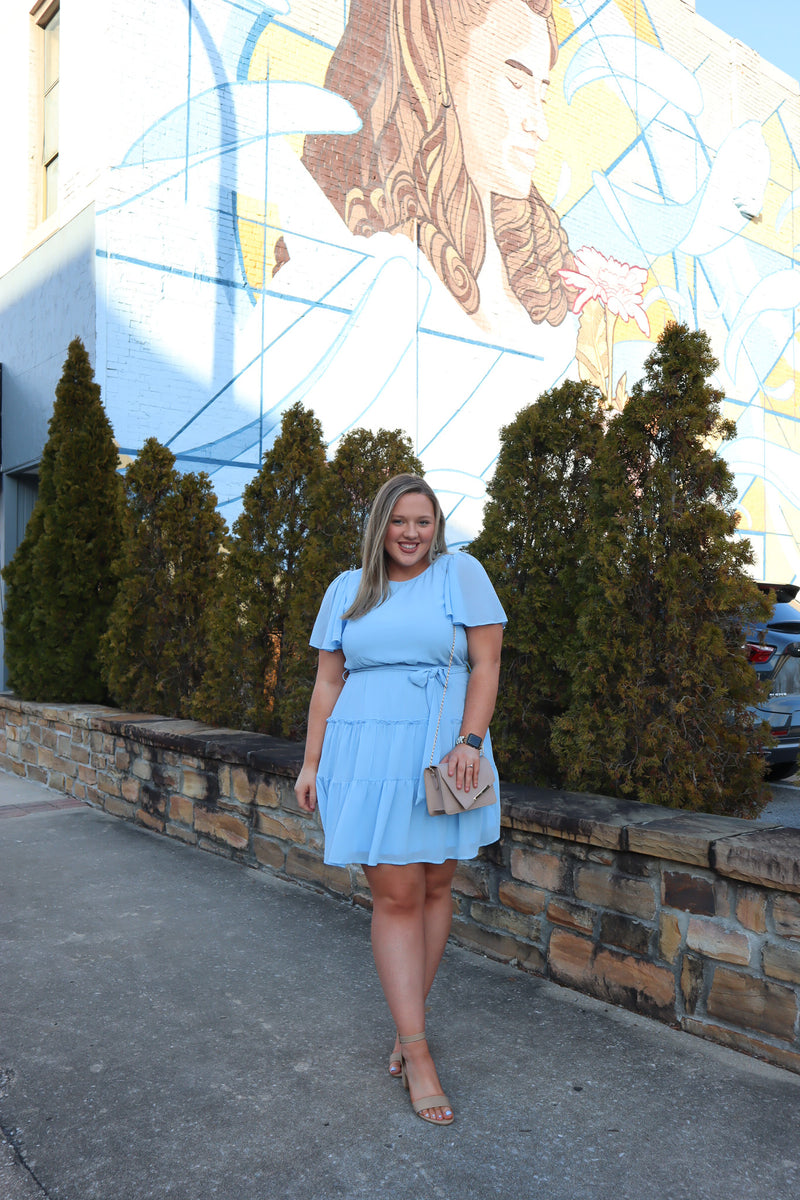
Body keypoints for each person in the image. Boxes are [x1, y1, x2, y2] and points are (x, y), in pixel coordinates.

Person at [294, 473, 506, 1126]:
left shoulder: (461, 574)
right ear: (379, 526)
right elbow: (328, 682)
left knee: (437, 889)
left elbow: (488, 664)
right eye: (399, 521)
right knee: (397, 895)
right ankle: (417, 1051)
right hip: (362, 754)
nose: (412, 533)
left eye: (423, 521)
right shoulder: (346, 589)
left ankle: (405, 1023)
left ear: (436, 526)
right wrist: (310, 762)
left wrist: (470, 741)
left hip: (444, 752)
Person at [301, 0, 576, 344]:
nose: (540, 125)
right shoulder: (385, 270)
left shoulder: (538, 269)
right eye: (515, 83)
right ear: (436, 72)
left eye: (543, 94)